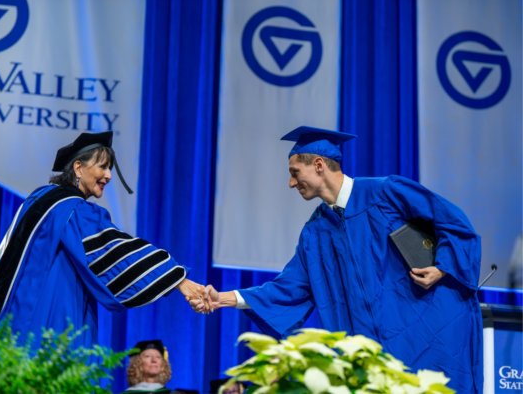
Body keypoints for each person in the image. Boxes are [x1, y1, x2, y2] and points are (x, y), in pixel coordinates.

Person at [194, 126, 483, 393]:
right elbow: (290, 288)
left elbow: (455, 224)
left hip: (428, 327)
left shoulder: (385, 192)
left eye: (295, 172)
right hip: (374, 349)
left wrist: (442, 268)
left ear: (318, 165)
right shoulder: (315, 233)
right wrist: (223, 298)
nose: (291, 182)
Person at [0, 131, 208, 349]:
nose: (109, 175)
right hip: (52, 314)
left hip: (15, 315)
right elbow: (113, 249)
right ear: (79, 168)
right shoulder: (72, 209)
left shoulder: (40, 198)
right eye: (103, 167)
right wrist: (178, 279)